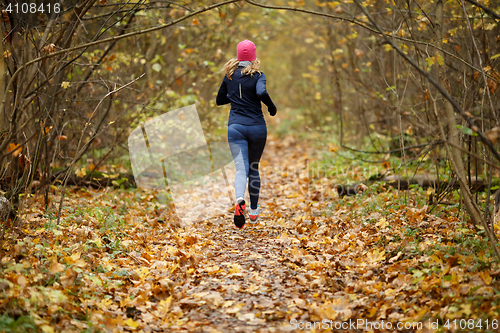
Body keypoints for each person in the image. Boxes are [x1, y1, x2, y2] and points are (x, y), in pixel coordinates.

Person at [216, 40, 277, 229]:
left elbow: (219, 100)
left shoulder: (229, 76)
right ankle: (252, 211)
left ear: (238, 56)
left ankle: (240, 199)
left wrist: (234, 96)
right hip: (257, 127)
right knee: (253, 168)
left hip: (236, 128)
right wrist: (271, 106)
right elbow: (261, 91)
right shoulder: (259, 75)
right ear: (253, 56)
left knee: (241, 169)